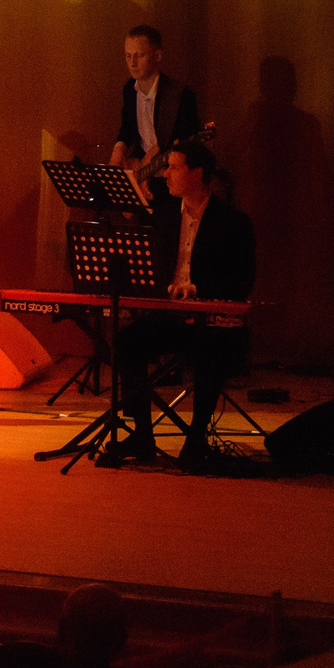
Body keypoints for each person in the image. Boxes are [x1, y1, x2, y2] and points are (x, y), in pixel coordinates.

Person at [114, 141, 255, 470]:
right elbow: (147, 269)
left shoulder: (234, 222)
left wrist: (198, 289)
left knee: (213, 350)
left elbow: (241, 281)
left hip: (210, 320)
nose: (165, 174)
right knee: (127, 342)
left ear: (198, 173)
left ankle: (195, 442)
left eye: (174, 167)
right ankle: (142, 436)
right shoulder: (163, 218)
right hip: (169, 315)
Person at [109, 24, 201, 178]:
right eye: (128, 55)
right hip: (143, 169)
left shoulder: (180, 94)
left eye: (140, 55)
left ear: (157, 56)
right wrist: (118, 153)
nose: (133, 63)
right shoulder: (130, 89)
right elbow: (127, 129)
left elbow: (184, 140)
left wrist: (150, 159)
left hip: (170, 172)